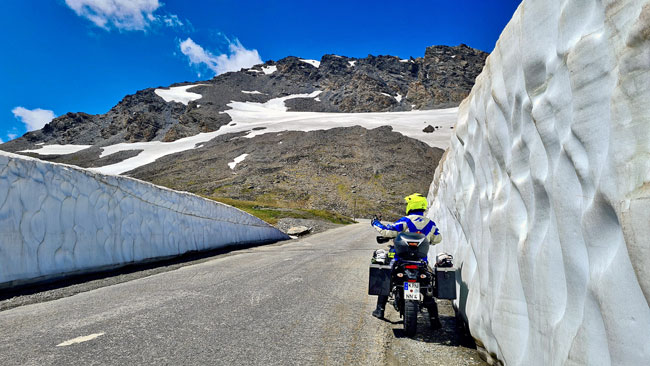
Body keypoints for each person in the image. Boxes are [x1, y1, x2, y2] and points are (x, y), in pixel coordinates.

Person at [370, 193, 442, 329]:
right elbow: (437, 239)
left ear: (411, 205)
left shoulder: (405, 221)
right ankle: (434, 319)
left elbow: (387, 231)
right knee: (426, 288)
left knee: (387, 278)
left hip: (400, 260)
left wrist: (375, 223)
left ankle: (380, 310)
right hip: (421, 262)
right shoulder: (430, 224)